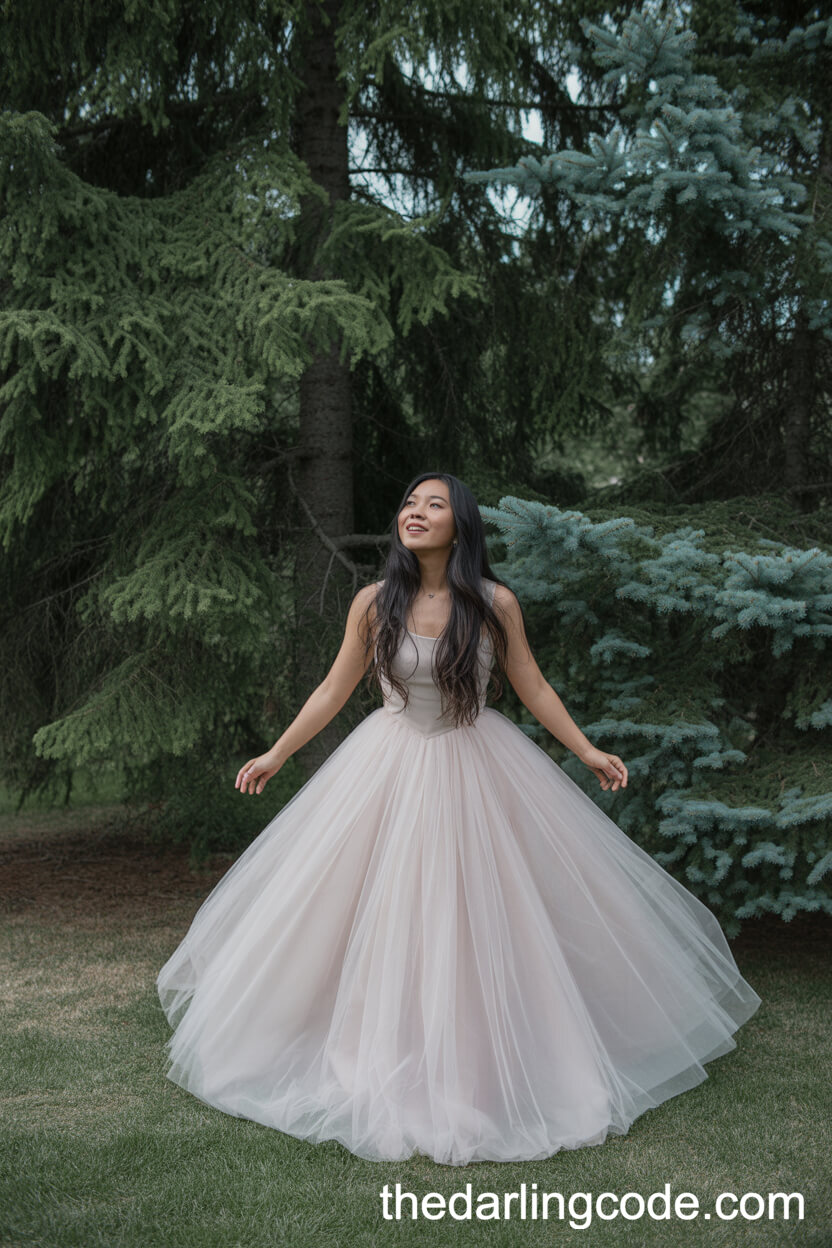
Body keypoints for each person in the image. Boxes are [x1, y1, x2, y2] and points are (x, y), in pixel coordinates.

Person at [156, 471, 761, 1166]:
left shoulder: (494, 603)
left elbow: (530, 683)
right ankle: (364, 1049)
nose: (415, 512)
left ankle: (483, 1061)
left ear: (460, 525)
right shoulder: (373, 601)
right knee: (369, 911)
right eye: (409, 502)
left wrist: (588, 750)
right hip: (386, 764)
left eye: (433, 505)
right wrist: (276, 753)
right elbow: (333, 688)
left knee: (476, 914)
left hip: (474, 764)